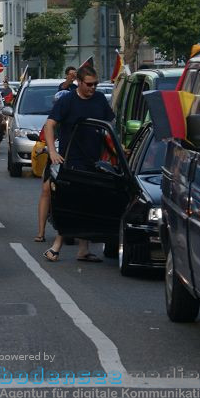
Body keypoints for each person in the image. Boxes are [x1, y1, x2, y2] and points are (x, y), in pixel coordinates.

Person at [41, 66, 115, 262]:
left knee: (88, 203)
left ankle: (83, 249)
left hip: (95, 161)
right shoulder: (67, 101)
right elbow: (49, 125)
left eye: (95, 84)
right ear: (79, 83)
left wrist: (116, 150)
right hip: (72, 160)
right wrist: (53, 151)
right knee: (73, 202)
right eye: (89, 84)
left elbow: (109, 127)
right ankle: (56, 247)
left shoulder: (99, 99)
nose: (93, 88)